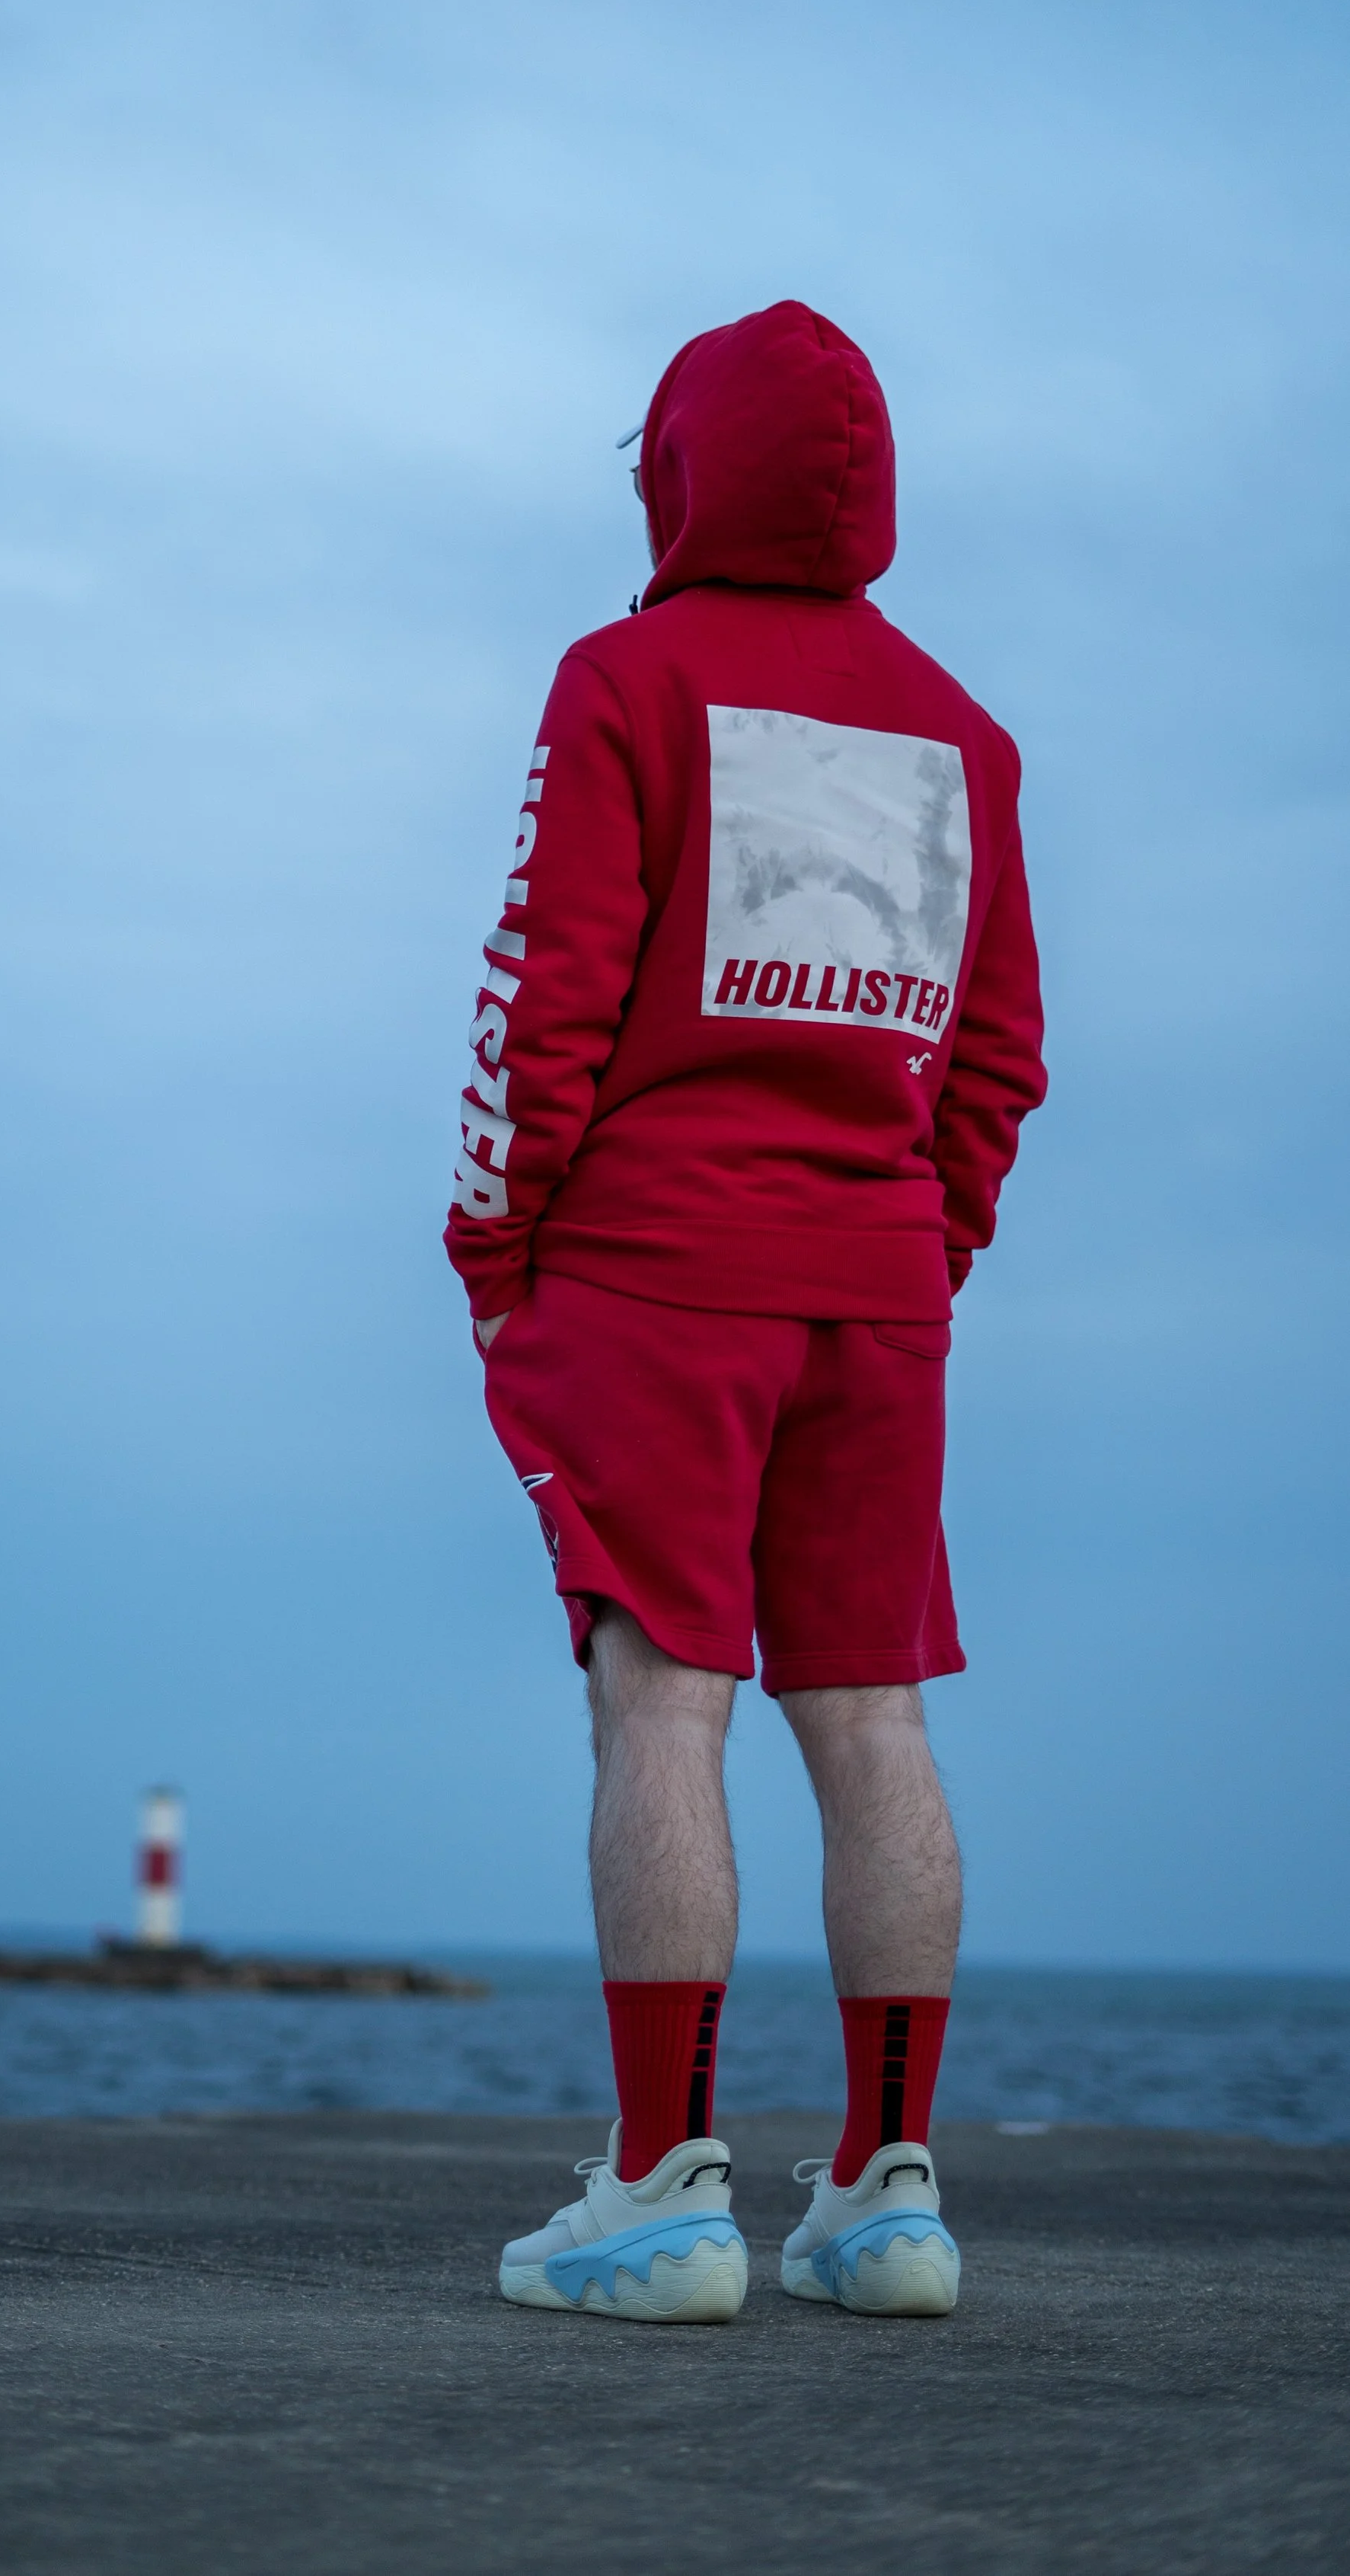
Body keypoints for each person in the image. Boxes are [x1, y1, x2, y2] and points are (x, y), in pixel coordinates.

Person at [447, 301, 1045, 2322]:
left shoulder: (624, 677)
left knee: (661, 1699)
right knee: (868, 1716)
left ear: (678, 467)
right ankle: (889, 2197)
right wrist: (914, 1239)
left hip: (654, 1270)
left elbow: (548, 999)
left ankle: (660, 2184)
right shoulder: (962, 732)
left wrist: (498, 1252)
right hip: (874, 1289)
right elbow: (994, 1055)